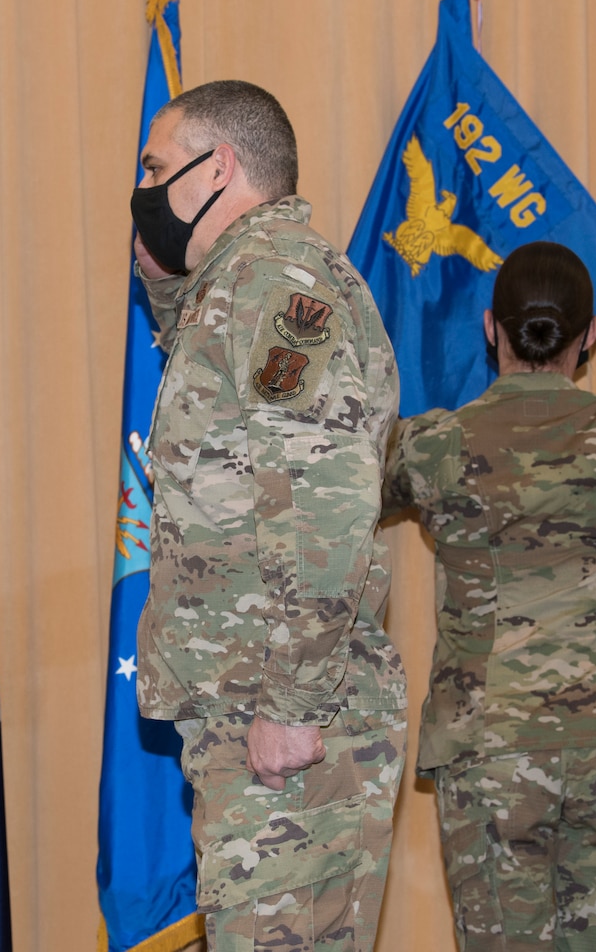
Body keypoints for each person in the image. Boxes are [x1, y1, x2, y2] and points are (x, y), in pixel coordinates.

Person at [132, 80, 406, 950]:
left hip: (292, 723)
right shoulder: (239, 285)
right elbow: (241, 457)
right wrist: (169, 290)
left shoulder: (276, 280)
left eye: (155, 166)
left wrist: (291, 701)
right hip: (255, 713)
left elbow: (325, 493)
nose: (140, 189)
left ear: (220, 167)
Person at [382, 241, 596, 950]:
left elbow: (355, 488)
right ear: (591, 336)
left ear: (491, 327)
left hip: (491, 754)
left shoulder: (439, 445)